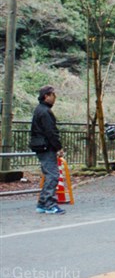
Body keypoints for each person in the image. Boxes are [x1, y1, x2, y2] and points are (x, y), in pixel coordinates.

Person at [29, 85, 65, 215]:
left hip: (40, 145)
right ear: (46, 96)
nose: (55, 98)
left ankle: (43, 203)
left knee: (50, 174)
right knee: (53, 175)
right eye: (53, 95)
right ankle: (49, 204)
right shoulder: (45, 112)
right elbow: (50, 132)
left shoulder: (39, 110)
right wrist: (58, 147)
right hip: (46, 146)